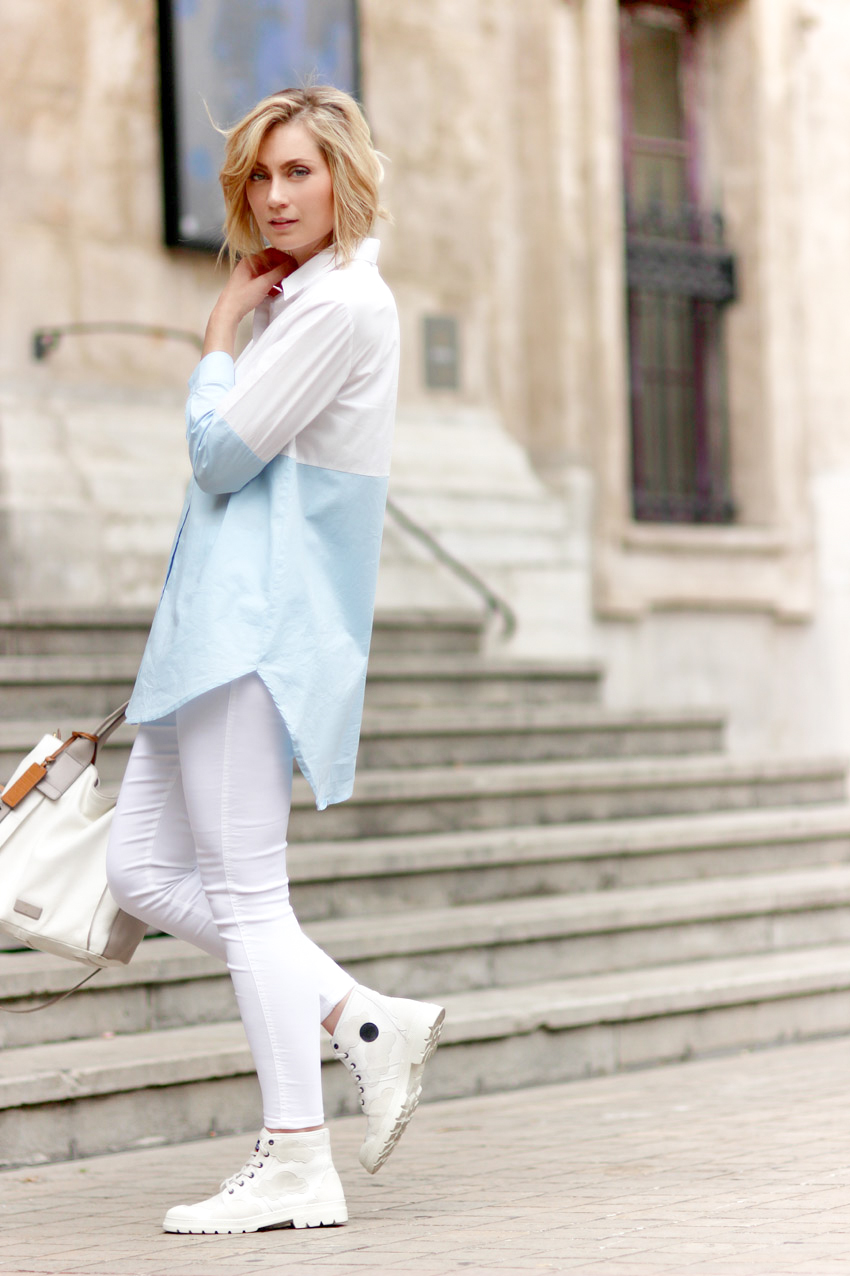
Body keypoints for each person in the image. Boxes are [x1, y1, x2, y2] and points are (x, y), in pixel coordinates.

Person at [105, 85, 444, 1236]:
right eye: (258, 176)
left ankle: (297, 1157)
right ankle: (357, 1017)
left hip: (254, 636)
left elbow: (220, 455)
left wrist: (213, 341)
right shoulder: (304, 304)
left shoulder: (341, 307)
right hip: (208, 633)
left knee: (250, 898)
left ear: (345, 176)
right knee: (141, 872)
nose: (274, 196)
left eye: (297, 172)